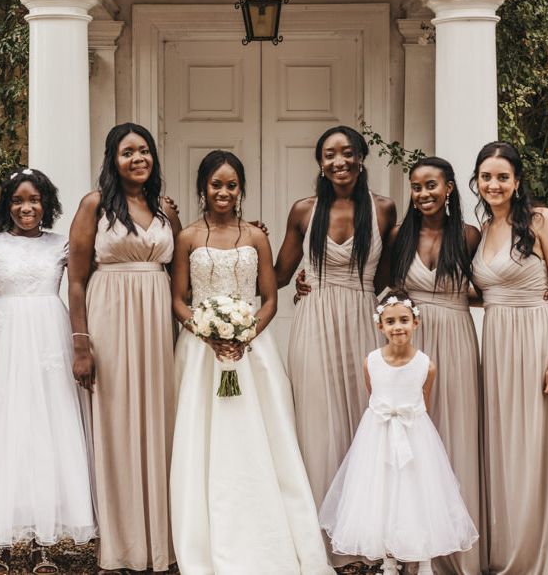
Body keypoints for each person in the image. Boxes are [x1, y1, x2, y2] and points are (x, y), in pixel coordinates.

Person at [169, 150, 333, 575]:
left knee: (263, 436)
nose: (223, 192)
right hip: (202, 353)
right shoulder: (187, 237)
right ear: (203, 188)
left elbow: (271, 297)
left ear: (241, 189)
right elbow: (179, 300)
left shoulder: (256, 236)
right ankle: (204, 541)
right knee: (203, 439)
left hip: (252, 353)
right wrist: (207, 333)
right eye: (215, 184)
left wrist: (244, 335)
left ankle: (271, 535)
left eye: (232, 185)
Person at [470, 141, 548, 575]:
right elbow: (482, 292)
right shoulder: (482, 232)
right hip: (498, 345)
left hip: (538, 342)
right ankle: (509, 548)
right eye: (487, 176)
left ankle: (544, 556)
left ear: (517, 181)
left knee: (537, 447)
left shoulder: (540, 221)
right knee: (504, 449)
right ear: (477, 182)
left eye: (503, 176)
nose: (494, 184)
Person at [68, 123, 181, 573]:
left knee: (157, 424)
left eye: (145, 151)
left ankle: (160, 541)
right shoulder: (94, 205)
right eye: (127, 151)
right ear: (112, 160)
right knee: (115, 427)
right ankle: (120, 544)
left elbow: (185, 270)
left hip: (155, 325)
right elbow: (76, 280)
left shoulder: (164, 209)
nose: (138, 158)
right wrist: (81, 344)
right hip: (109, 319)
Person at [274, 126, 396, 539]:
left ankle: (361, 530)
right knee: (316, 421)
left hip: (363, 319)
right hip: (314, 321)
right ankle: (316, 535)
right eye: (329, 155)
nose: (338, 161)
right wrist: (247, 238)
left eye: (346, 153)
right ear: (320, 163)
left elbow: (389, 278)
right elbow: (277, 276)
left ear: (362, 158)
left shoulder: (384, 210)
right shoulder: (303, 211)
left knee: (364, 418)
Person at [319, 291, 478, 575]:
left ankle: (425, 558)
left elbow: (424, 402)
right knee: (382, 494)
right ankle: (389, 559)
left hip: (415, 436)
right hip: (377, 437)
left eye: (404, 319)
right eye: (390, 321)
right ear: (380, 326)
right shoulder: (372, 361)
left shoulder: (426, 365)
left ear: (416, 322)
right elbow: (374, 394)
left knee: (419, 494)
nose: (398, 326)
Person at [0, 169, 95, 575]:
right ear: (6, 206)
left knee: (43, 431)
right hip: (3, 342)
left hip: (48, 343)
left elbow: (90, 283)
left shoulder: (62, 245)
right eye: (17, 200)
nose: (25, 208)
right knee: (3, 429)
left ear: (46, 203)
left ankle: (42, 543)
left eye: (33, 200)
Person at [387, 156, 485, 575]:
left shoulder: (468, 235)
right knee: (411, 441)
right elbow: (384, 290)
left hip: (457, 339)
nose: (423, 193)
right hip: (412, 345)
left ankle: (454, 551)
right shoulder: (398, 236)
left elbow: (487, 286)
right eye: (416, 186)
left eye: (431, 185)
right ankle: (410, 548)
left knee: (454, 435)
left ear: (448, 189)